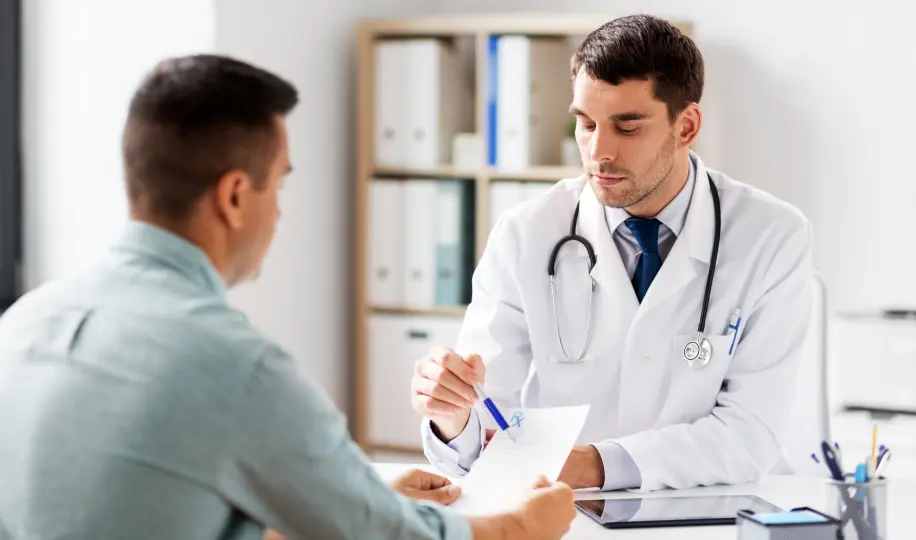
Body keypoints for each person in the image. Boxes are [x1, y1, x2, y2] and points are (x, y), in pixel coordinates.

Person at [0, 54, 575, 540]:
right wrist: (519, 525)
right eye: (278, 182)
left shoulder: (23, 324)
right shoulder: (231, 366)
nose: (278, 211)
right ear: (233, 196)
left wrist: (361, 494)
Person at [412, 14, 815, 492]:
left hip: (701, 513)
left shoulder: (771, 235)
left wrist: (590, 465)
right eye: (584, 124)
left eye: (627, 128)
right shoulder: (527, 233)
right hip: (563, 512)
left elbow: (751, 433)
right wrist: (453, 419)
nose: (598, 152)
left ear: (686, 126)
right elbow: (482, 425)